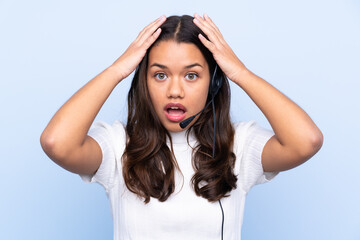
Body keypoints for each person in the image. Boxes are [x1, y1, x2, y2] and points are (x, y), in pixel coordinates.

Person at [40, 13, 323, 240]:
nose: (175, 91)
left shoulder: (239, 144)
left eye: (191, 75)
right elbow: (56, 142)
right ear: (144, 82)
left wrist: (240, 73)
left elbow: (306, 140)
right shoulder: (117, 145)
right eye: (160, 75)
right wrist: (118, 69)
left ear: (212, 83)